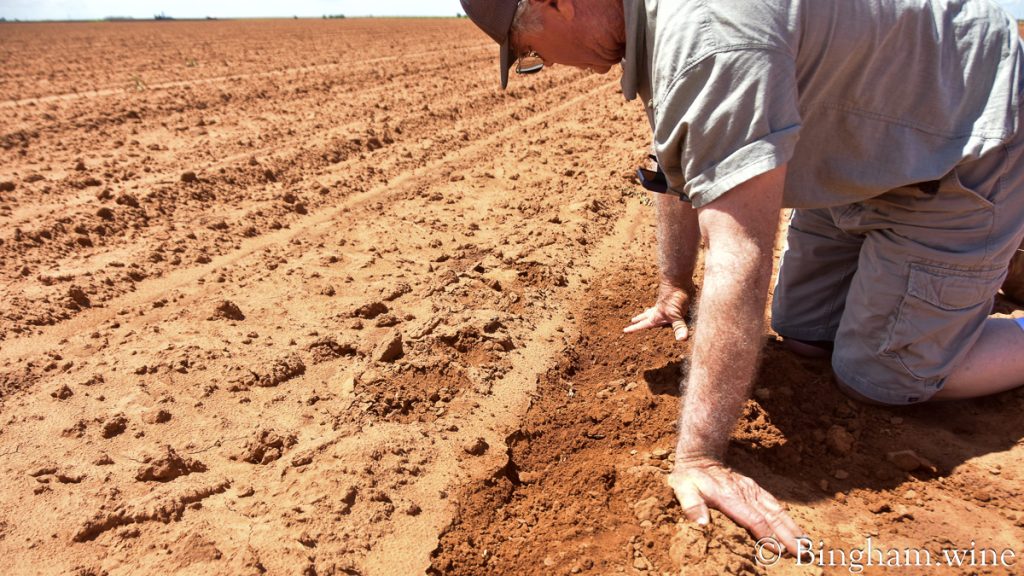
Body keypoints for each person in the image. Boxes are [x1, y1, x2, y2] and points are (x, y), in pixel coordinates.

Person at [460, 0, 1024, 557]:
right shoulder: (655, 26)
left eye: (530, 52)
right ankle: (973, 268)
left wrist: (700, 458)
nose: (545, 64)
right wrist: (675, 284)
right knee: (804, 333)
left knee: (879, 375)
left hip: (967, 137)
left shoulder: (708, 37)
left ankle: (989, 244)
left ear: (559, 3)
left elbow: (740, 254)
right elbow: (680, 165)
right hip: (864, 147)